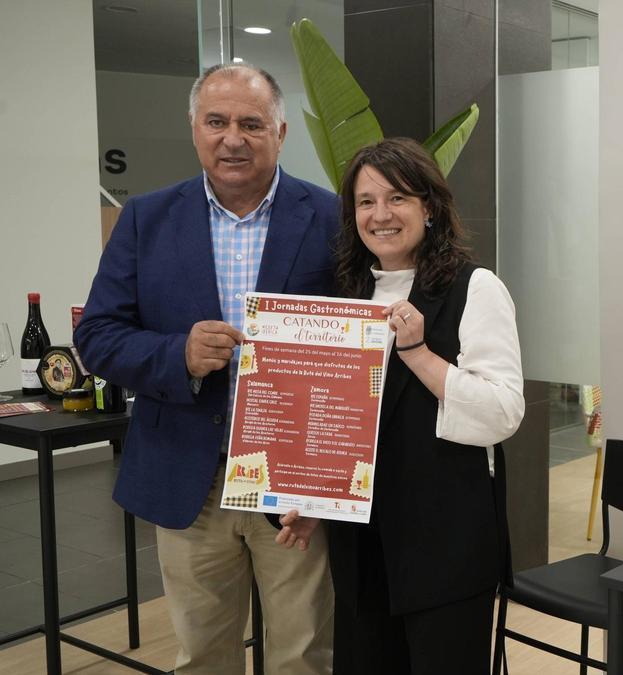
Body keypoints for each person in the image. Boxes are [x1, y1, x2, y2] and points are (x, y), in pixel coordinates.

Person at [76, 63, 338, 674]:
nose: (233, 138)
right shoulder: (145, 219)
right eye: (216, 121)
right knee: (202, 657)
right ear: (194, 128)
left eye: (251, 123)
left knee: (304, 654)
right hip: (189, 482)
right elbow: (97, 336)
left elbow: (357, 348)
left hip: (292, 483)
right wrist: (178, 356)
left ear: (280, 132)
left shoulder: (331, 218)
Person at [275, 137, 524, 674]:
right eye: (366, 202)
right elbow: (341, 425)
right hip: (364, 547)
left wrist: (417, 352)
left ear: (429, 208)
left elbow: (503, 413)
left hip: (446, 544)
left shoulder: (475, 288)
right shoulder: (347, 296)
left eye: (397, 199)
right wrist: (319, 501)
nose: (380, 215)